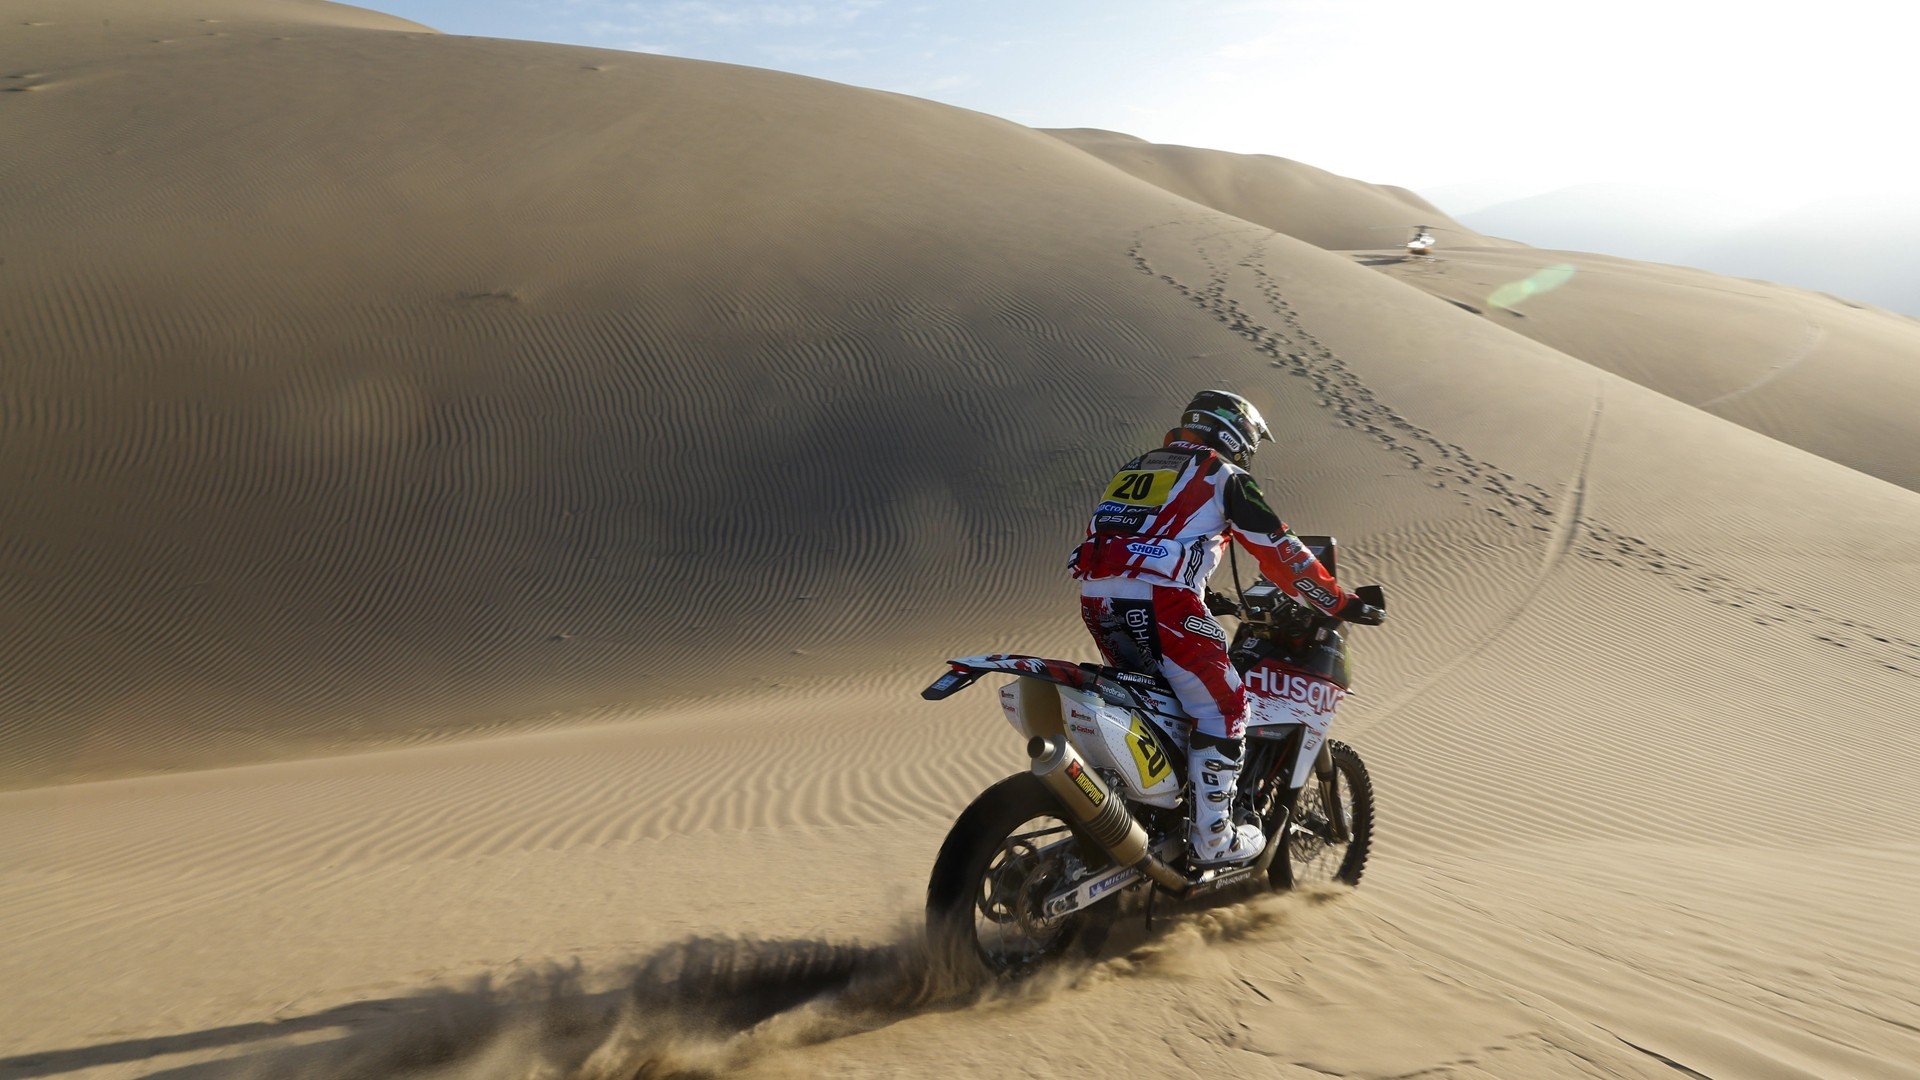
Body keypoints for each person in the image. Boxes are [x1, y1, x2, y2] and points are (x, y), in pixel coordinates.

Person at [1069, 389, 1373, 868]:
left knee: (1164, 705)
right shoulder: (1222, 473)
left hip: (1098, 597)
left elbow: (1138, 535)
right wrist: (1339, 600)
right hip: (1161, 602)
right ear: (1235, 434)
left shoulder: (1142, 466)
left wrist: (1199, 589)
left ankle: (1151, 814)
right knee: (1227, 706)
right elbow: (1280, 551)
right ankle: (1214, 838)